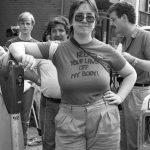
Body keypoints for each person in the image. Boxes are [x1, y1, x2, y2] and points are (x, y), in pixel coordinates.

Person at [8, 0, 137, 149]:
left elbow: (130, 74)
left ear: (95, 21)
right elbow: (15, 45)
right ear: (71, 21)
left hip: (104, 117)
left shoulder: (106, 50)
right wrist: (22, 57)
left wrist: (120, 97)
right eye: (79, 16)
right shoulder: (57, 48)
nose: (84, 20)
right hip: (70, 119)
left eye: (90, 17)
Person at [108, 2, 150, 150]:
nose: (112, 24)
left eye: (113, 19)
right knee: (123, 138)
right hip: (126, 92)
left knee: (136, 139)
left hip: (139, 93)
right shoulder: (123, 40)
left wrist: (133, 59)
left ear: (124, 17)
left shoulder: (145, 36)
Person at [5, 11, 40, 147]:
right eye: (22, 23)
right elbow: (5, 64)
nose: (25, 26)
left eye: (28, 23)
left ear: (32, 26)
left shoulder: (37, 44)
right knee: (11, 117)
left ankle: (23, 146)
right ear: (18, 25)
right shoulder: (10, 43)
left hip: (28, 86)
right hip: (12, 85)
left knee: (25, 120)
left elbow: (39, 66)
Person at [37, 16, 70, 150]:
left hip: (70, 105)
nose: (57, 34)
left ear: (68, 33)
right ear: (49, 34)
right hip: (48, 104)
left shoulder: (75, 51)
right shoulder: (43, 51)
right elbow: (23, 67)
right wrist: (38, 80)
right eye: (54, 31)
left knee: (68, 142)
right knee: (49, 142)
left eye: (61, 30)